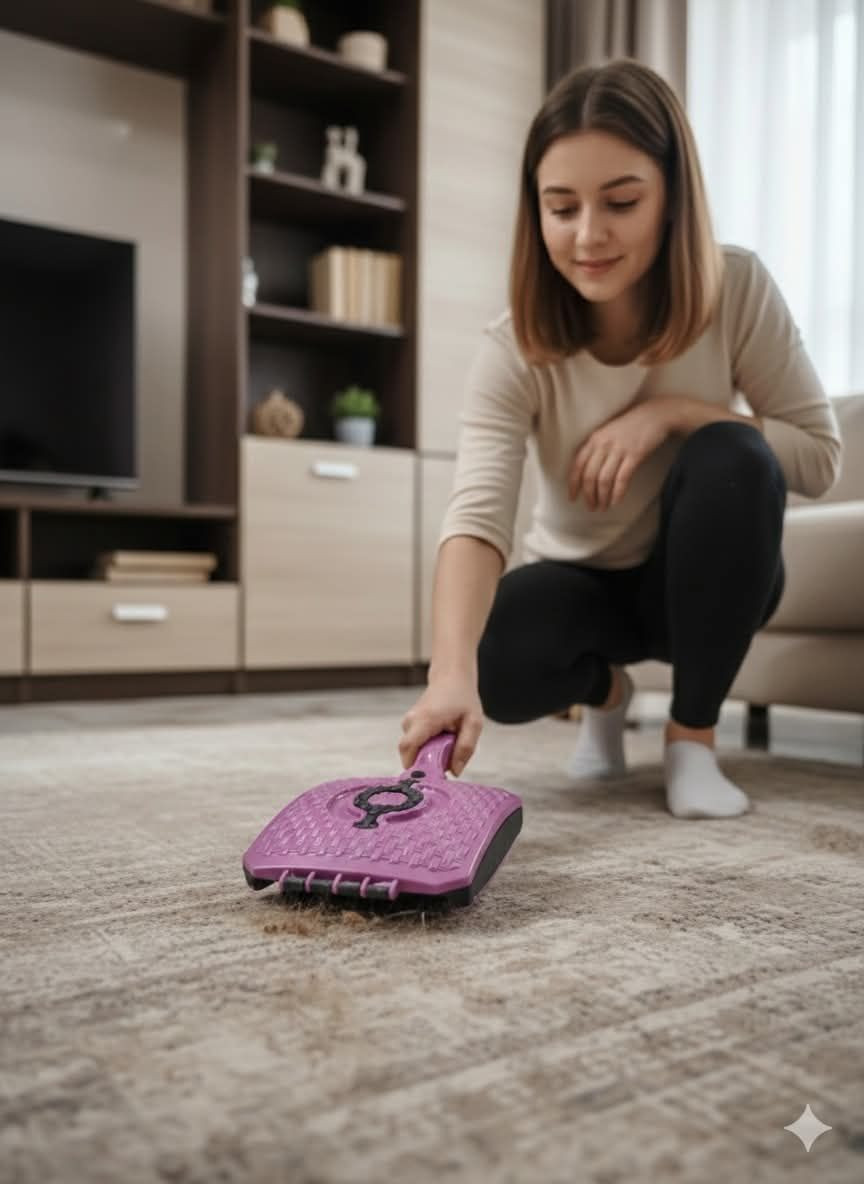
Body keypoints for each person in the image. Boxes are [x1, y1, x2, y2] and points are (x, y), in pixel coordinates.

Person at [398, 58, 842, 819]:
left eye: (621, 202)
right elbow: (477, 516)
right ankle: (609, 696)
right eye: (561, 207)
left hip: (702, 582)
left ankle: (691, 739)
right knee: (489, 657)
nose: (588, 236)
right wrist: (448, 676)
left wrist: (675, 412)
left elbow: (819, 458)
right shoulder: (513, 347)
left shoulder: (737, 286)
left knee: (734, 453)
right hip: (581, 586)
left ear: (671, 198)